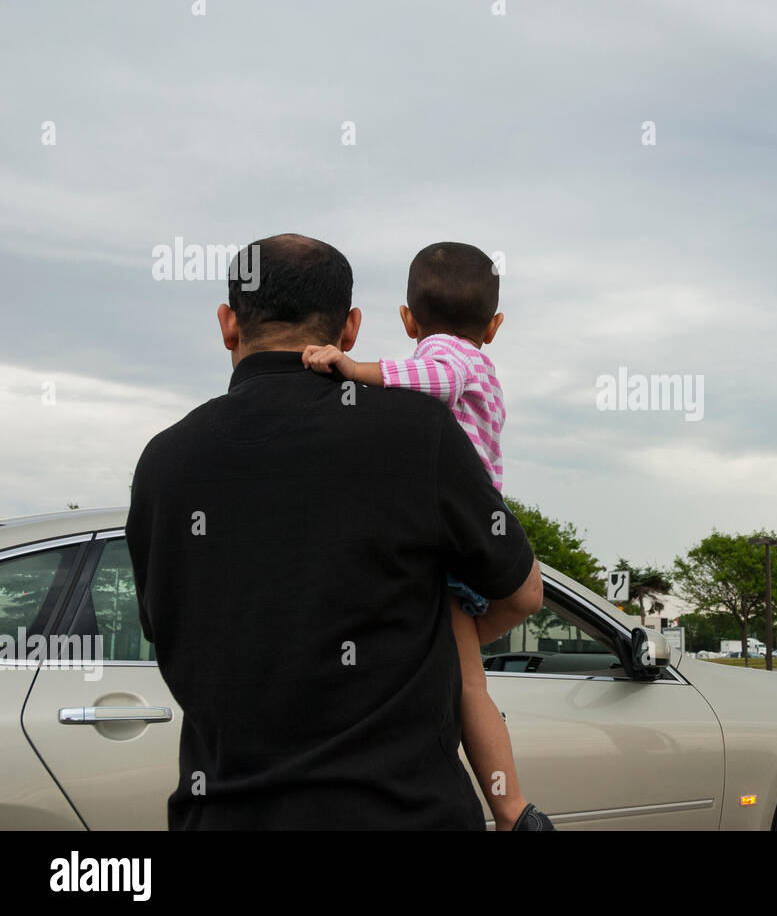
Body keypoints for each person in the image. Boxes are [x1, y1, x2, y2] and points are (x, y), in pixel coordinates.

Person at [126, 233, 543, 830]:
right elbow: (524, 592)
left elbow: (165, 626)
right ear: (350, 329)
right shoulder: (417, 433)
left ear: (227, 324)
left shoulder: (163, 462)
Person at [301, 241, 551, 831]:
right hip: (472, 529)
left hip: (448, 526)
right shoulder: (483, 362)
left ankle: (513, 810)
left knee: (469, 685)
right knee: (469, 680)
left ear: (407, 320)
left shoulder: (446, 356)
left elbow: (431, 379)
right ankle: (512, 810)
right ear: (494, 326)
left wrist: (354, 368)